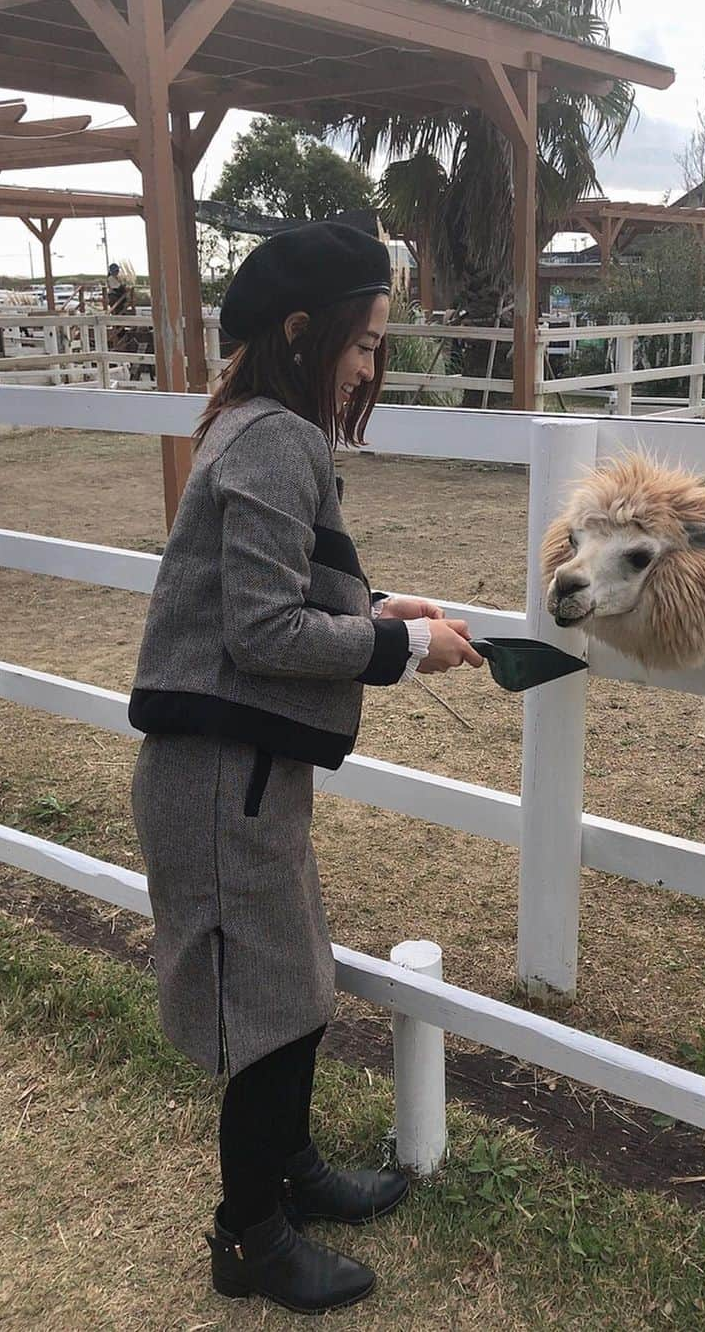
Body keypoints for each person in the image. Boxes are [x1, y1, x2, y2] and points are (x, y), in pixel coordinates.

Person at [127, 222, 483, 1315]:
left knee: (295, 982)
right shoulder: (276, 438)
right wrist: (404, 649)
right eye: (366, 343)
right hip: (218, 778)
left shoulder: (260, 428)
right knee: (269, 1002)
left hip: (237, 774)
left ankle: (290, 1176)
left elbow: (280, 594)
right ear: (301, 331)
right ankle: (250, 1239)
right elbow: (263, 631)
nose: (373, 365)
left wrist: (380, 611)